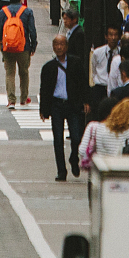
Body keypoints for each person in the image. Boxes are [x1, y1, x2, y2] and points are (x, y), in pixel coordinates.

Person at [38, 34, 87, 181]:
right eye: (56, 44)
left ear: (66, 46)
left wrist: (86, 101)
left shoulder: (76, 63)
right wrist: (43, 110)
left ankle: (73, 158)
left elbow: (83, 83)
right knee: (57, 139)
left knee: (76, 136)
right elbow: (44, 90)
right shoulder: (48, 67)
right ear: (53, 46)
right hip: (56, 105)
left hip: (72, 104)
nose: (59, 47)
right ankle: (61, 170)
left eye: (62, 44)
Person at [77, 95, 129, 170]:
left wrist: (95, 161)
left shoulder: (94, 127)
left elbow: (82, 150)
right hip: (128, 170)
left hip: (102, 170)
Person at [0, 0, 38, 106]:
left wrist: (0, 43)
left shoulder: (3, 12)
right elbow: (32, 30)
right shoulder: (27, 12)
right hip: (23, 47)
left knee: (10, 73)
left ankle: (11, 99)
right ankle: (24, 98)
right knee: (24, 72)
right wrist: (33, 45)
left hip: (8, 47)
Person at [88, 24, 123, 118]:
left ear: (119, 37)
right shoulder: (97, 52)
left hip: (115, 88)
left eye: (116, 35)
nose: (113, 38)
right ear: (106, 36)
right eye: (111, 35)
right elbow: (94, 69)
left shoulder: (122, 53)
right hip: (100, 88)